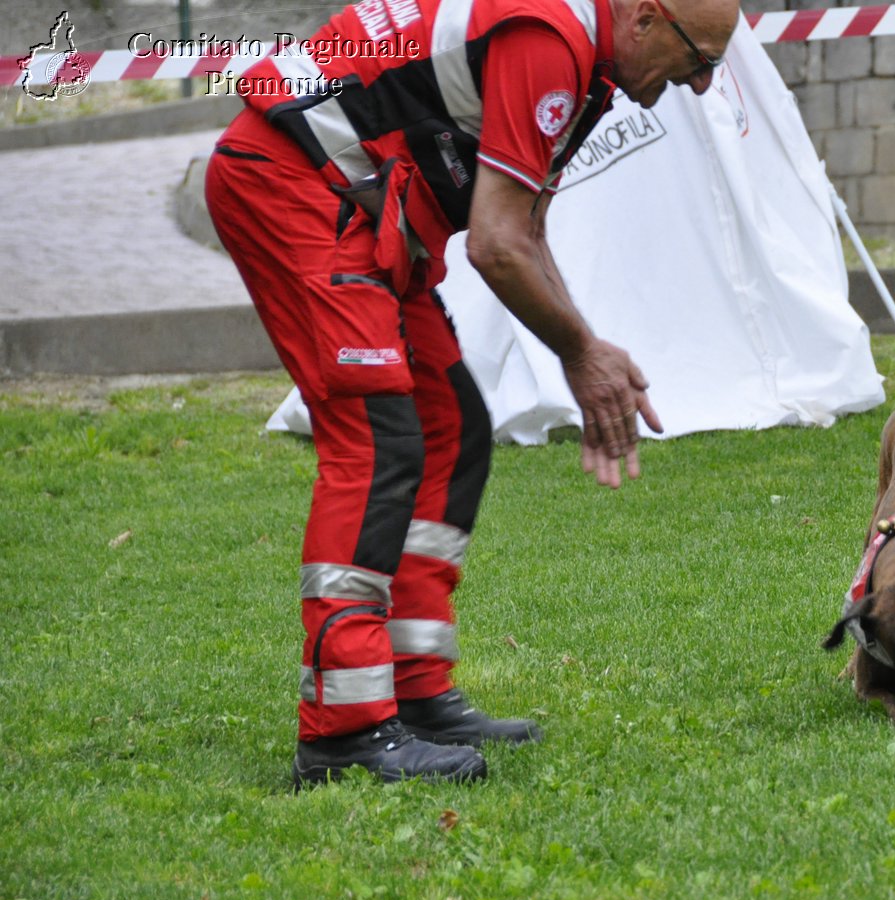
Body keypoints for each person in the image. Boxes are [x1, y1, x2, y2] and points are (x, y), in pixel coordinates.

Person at [205, 0, 740, 787]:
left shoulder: (586, 62)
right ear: (643, 19)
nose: (699, 86)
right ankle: (343, 731)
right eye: (700, 61)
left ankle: (414, 689)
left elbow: (525, 229)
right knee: (378, 441)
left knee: (450, 427)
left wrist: (581, 350)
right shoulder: (549, 40)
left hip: (353, 204)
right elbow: (494, 242)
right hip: (294, 187)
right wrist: (581, 351)